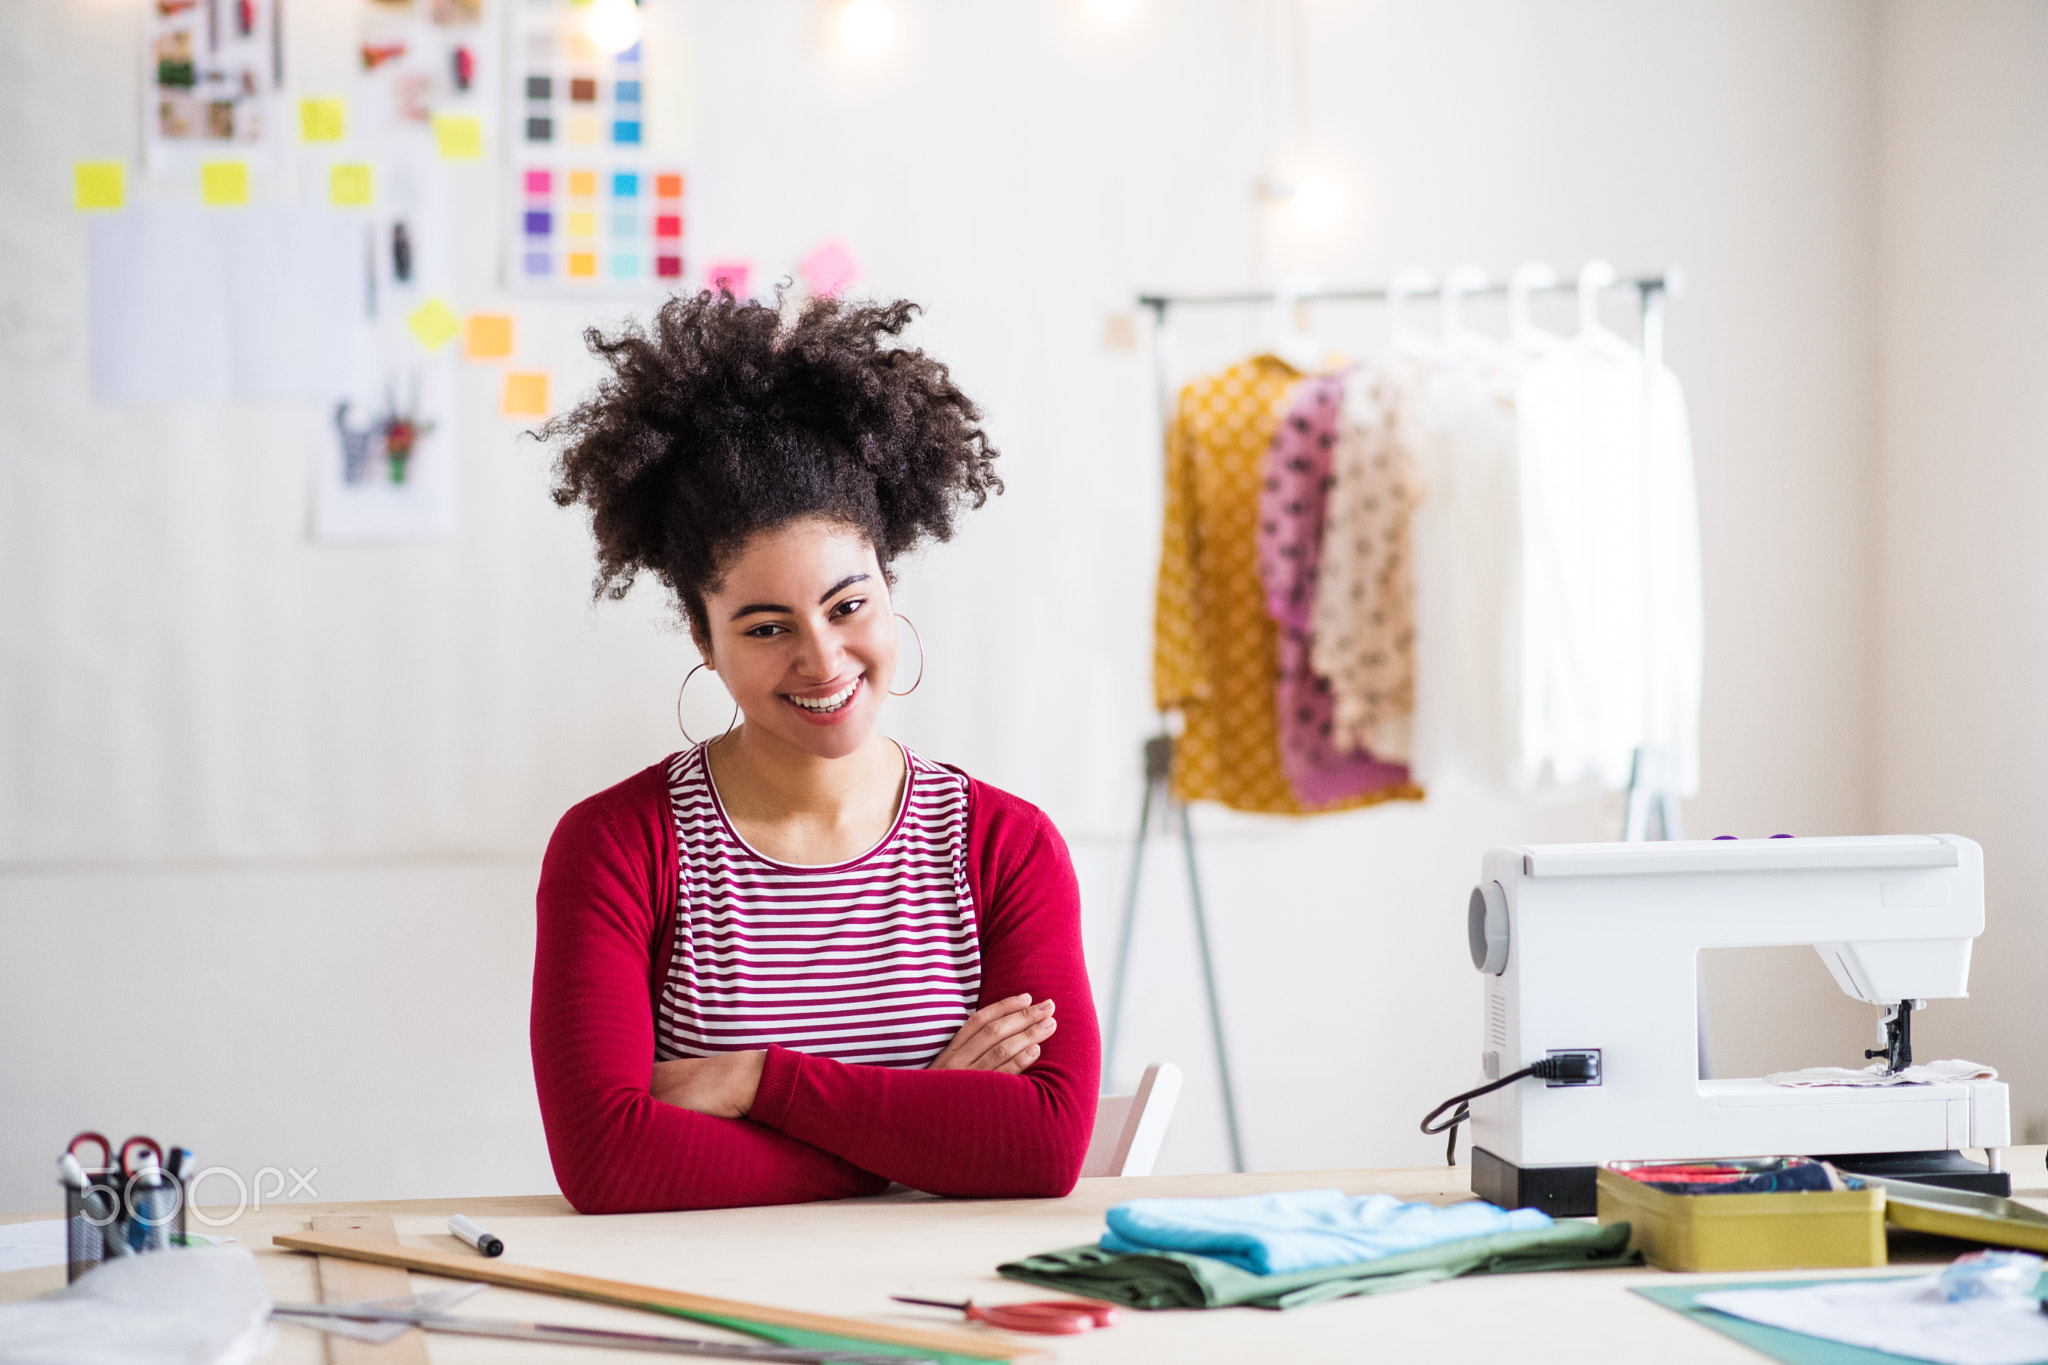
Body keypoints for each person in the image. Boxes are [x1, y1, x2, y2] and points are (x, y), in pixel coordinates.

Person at [529, 291, 1100, 1214]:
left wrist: (756, 1083)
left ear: (890, 580)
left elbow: (1039, 1145)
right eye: (765, 626)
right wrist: (920, 1144)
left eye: (848, 605)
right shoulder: (618, 846)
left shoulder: (1005, 846)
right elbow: (609, 1162)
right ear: (702, 638)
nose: (824, 659)